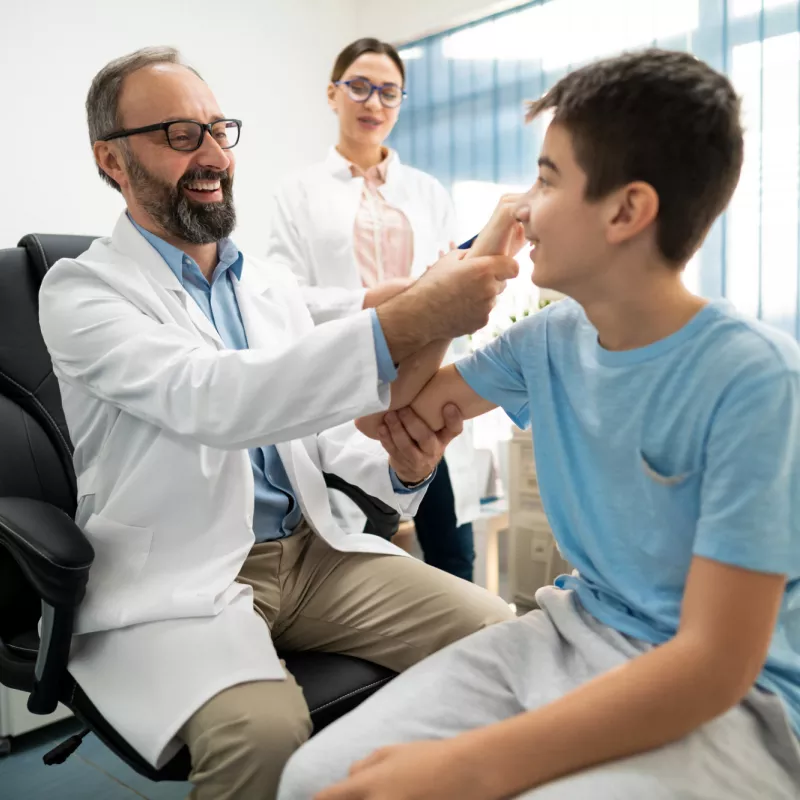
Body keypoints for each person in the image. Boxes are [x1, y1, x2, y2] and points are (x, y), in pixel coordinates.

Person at [277, 49, 800, 800]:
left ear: (627, 211)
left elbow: (714, 664)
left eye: (547, 178)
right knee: (315, 778)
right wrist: (471, 270)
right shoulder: (549, 339)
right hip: (571, 631)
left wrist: (470, 766)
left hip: (734, 702)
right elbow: (385, 415)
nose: (522, 205)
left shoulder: (753, 379)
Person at [37, 46, 518, 800]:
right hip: (191, 574)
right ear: (112, 160)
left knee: (509, 642)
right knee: (262, 737)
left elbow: (322, 427)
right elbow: (215, 397)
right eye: (178, 134)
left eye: (218, 130)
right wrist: (416, 314)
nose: (213, 154)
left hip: (312, 552)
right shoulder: (81, 293)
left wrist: (404, 465)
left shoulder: (263, 284)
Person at [265, 38, 481, 582]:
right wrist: (367, 301)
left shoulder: (428, 193)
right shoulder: (299, 193)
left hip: (425, 384)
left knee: (453, 553)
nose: (373, 103)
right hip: (346, 388)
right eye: (359, 87)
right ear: (333, 94)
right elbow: (279, 297)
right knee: (359, 558)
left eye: (388, 92)